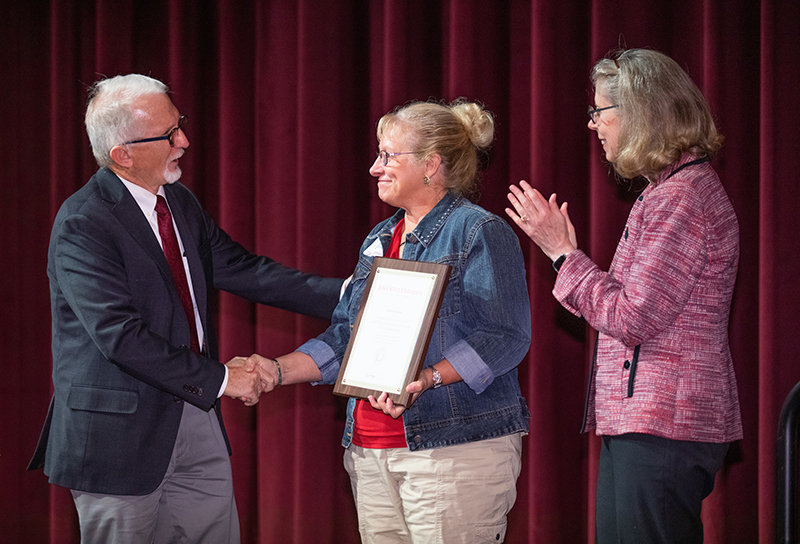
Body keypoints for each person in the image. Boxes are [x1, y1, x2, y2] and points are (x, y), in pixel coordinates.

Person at [27, 74, 342, 544]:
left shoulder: (178, 202)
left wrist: (352, 293)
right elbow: (120, 337)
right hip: (120, 437)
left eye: (181, 125)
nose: (184, 141)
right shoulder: (83, 223)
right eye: (169, 134)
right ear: (123, 155)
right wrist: (223, 379)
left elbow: (243, 269)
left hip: (194, 415)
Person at [245, 100, 531, 543]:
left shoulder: (477, 231)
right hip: (369, 449)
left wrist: (428, 377)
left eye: (387, 155)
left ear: (430, 165)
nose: (375, 167)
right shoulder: (380, 238)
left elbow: (505, 336)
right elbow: (346, 337)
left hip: (451, 450)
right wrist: (276, 371)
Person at [506, 48, 743, 544]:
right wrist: (565, 256)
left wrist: (563, 254)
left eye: (600, 112)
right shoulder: (667, 191)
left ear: (639, 113)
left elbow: (631, 316)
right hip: (647, 423)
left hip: (664, 425)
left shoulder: (683, 198)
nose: (593, 125)